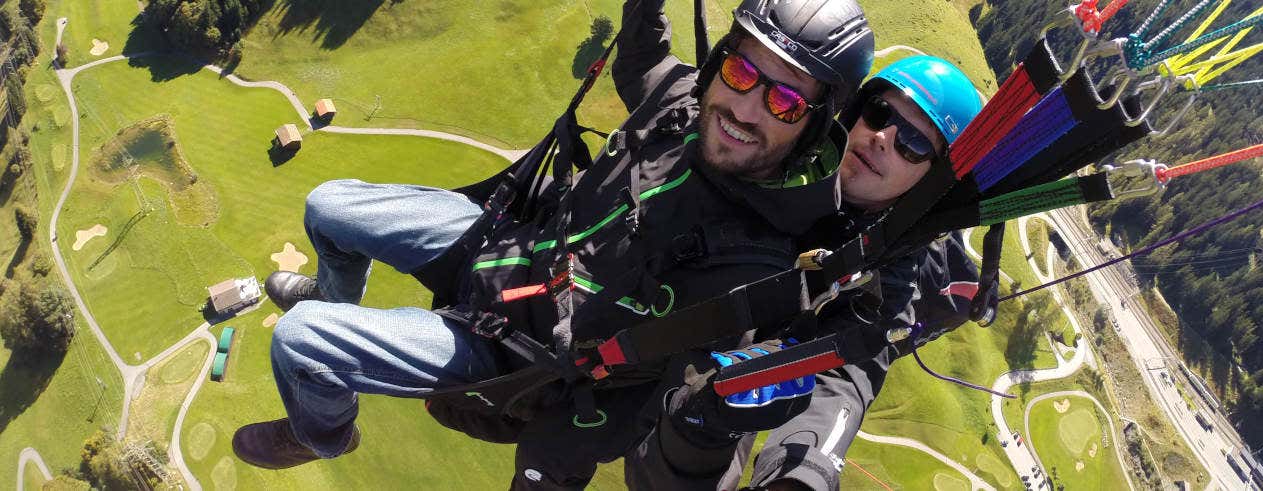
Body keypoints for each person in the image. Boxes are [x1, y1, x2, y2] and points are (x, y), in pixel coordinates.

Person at [231, 0, 875, 489]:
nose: (745, 107)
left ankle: (322, 433)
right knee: (327, 207)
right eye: (739, 69)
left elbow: (680, 431)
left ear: (814, 124)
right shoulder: (685, 103)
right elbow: (641, 61)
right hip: (508, 250)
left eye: (786, 102)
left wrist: (560, 466)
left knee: (303, 341)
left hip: (512, 351)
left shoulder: (754, 269)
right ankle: (333, 293)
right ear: (720, 64)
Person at [731, 55, 992, 490]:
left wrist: (802, 475)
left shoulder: (889, 279)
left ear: (929, 181)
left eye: (915, 144)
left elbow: (846, 373)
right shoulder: (775, 150)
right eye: (879, 114)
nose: (883, 137)